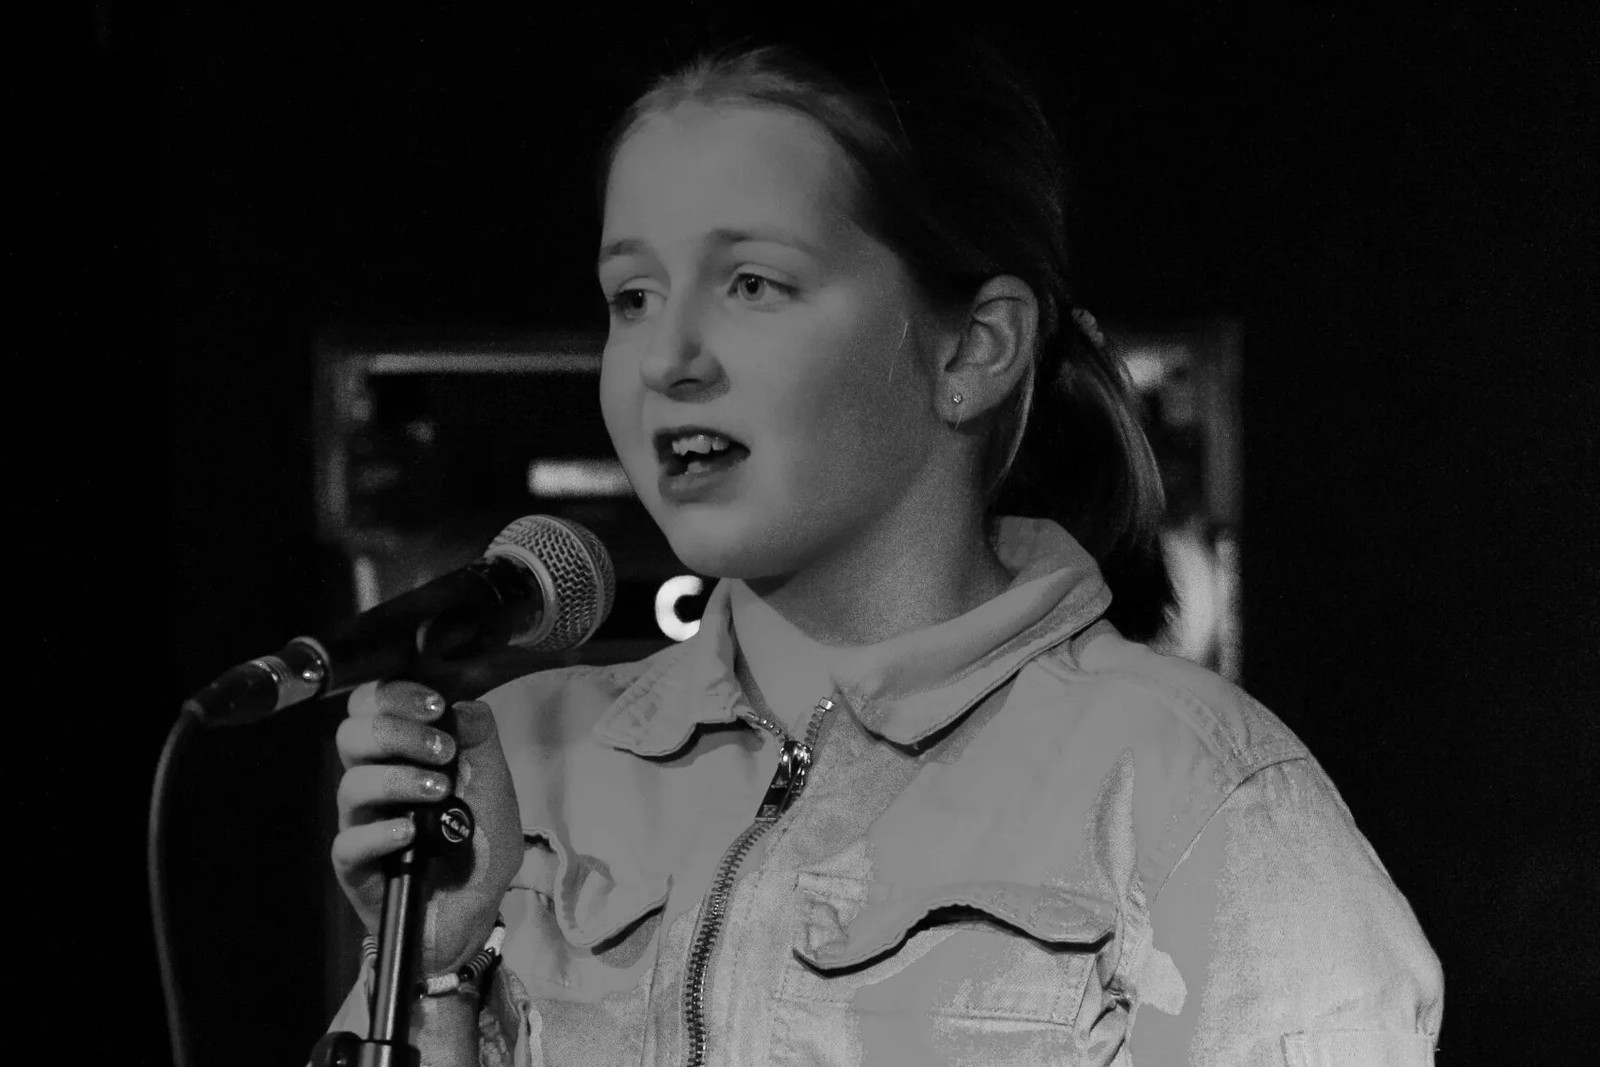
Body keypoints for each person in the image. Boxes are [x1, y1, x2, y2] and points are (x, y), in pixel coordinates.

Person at [321, 25, 1443, 1066]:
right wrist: (427, 965)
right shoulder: (524, 760)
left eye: (753, 283)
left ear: (974, 348)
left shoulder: (1193, 787)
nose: (670, 357)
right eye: (631, 295)